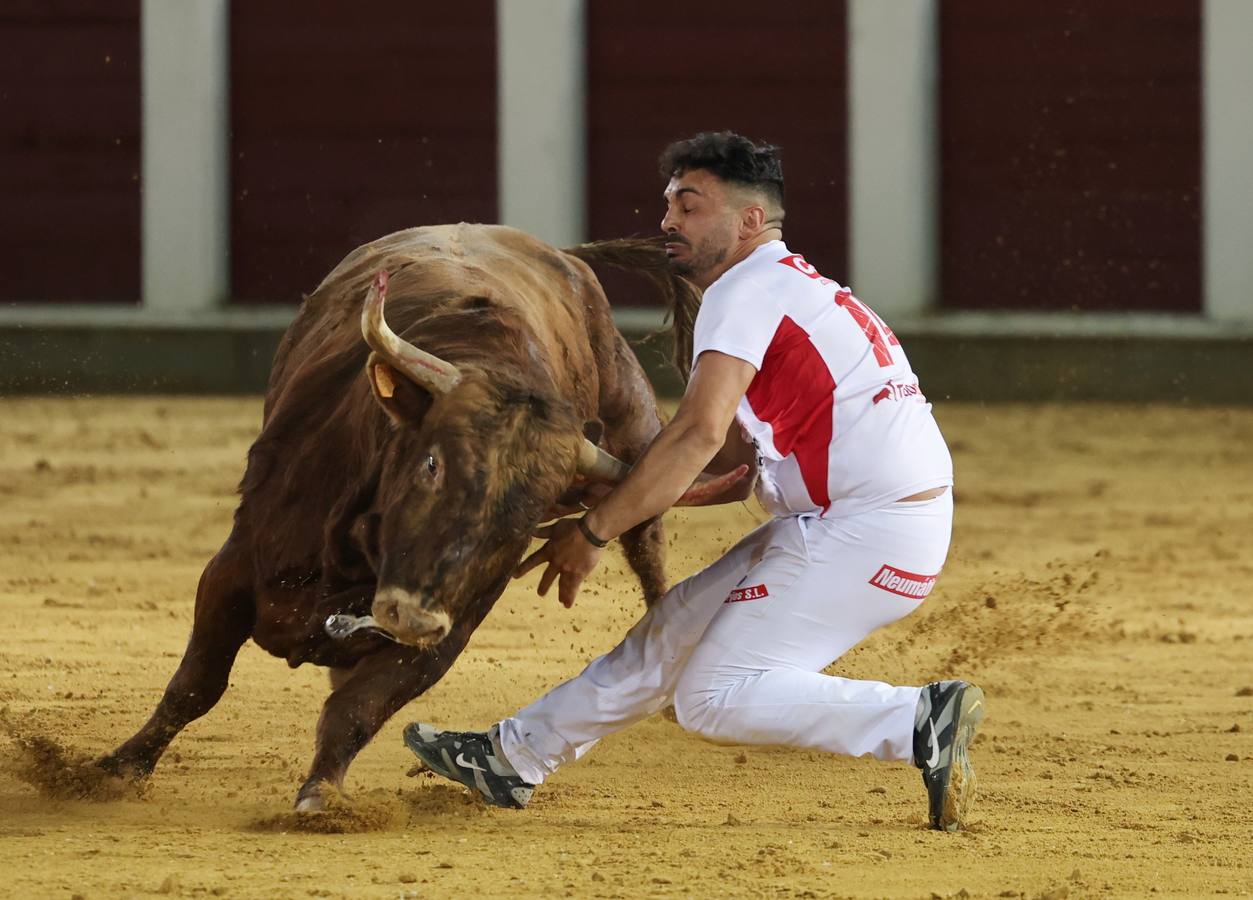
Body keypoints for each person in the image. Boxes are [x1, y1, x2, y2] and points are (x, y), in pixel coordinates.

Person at [403, 131, 985, 831]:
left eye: (689, 206)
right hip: (862, 522)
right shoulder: (783, 286)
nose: (667, 222)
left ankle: (917, 720)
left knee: (714, 699)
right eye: (668, 205)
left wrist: (594, 530)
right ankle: (512, 757)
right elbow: (730, 465)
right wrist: (612, 487)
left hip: (864, 531)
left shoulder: (742, 291)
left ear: (747, 222)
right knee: (670, 632)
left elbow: (697, 434)